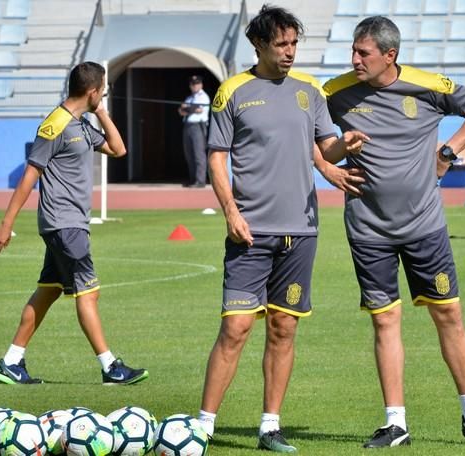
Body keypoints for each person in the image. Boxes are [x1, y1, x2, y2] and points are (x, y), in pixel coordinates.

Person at [323, 16, 465, 448]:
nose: (354, 59)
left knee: (448, 314)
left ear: (389, 55)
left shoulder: (428, 85)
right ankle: (395, 424)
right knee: (385, 320)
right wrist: (336, 156)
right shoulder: (333, 93)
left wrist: (448, 152)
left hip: (424, 227)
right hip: (368, 229)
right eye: (353, 51)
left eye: (363, 53)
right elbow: (318, 144)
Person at [197, 4, 367, 453]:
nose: (290, 52)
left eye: (294, 43)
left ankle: (270, 425)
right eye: (281, 44)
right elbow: (217, 156)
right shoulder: (231, 92)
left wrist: (341, 146)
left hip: (301, 232)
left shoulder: (310, 90)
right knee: (235, 329)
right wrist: (231, 213)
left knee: (283, 330)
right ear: (259, 44)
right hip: (248, 233)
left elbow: (325, 148)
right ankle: (202, 426)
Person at [0, 62, 148, 386]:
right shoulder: (55, 124)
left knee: (47, 292)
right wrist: (6, 223)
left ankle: (10, 361)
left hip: (70, 223)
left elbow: (119, 149)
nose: (103, 93)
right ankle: (110, 366)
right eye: (102, 89)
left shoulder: (82, 124)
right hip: (64, 224)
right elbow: (29, 176)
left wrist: (101, 113)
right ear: (92, 91)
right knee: (88, 293)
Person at [178, 74, 211, 188]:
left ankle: (200, 180)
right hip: (187, 125)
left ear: (201, 84)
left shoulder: (203, 97)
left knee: (198, 154)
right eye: (192, 84)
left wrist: (187, 108)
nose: (195, 86)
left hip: (198, 126)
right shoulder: (190, 98)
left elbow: (199, 110)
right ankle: (193, 180)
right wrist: (188, 109)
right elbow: (181, 111)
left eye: (197, 83)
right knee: (189, 154)